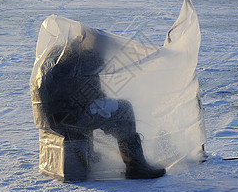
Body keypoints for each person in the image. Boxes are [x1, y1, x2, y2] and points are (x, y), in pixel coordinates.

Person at [33, 29, 166, 179]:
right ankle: (136, 166)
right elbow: (92, 94)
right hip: (68, 118)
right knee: (124, 109)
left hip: (49, 117)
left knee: (99, 108)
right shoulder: (83, 59)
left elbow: (81, 92)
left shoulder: (58, 52)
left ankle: (89, 153)